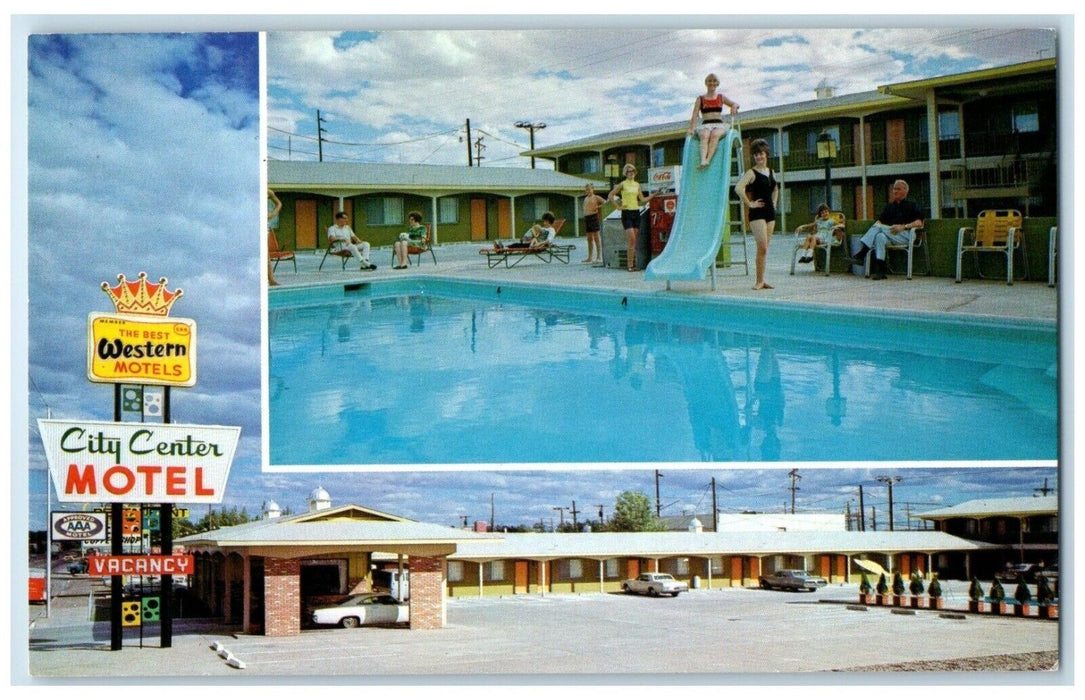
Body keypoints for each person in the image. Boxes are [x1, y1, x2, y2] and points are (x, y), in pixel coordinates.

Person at [850, 179, 924, 280]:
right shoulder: (890, 206)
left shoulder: (912, 205)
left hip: (907, 234)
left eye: (898, 189)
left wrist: (903, 226)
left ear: (905, 191)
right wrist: (877, 228)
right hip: (891, 233)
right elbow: (880, 222)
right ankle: (881, 271)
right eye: (894, 189)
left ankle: (862, 253)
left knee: (879, 228)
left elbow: (919, 223)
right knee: (879, 236)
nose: (895, 191)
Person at [734, 139, 779, 290]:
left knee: (764, 249)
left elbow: (776, 189)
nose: (759, 157)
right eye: (756, 155)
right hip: (757, 213)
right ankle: (758, 281)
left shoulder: (772, 172)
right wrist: (749, 203)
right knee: (763, 247)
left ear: (766, 154)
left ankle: (762, 280)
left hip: (770, 213)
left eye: (761, 154)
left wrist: (774, 202)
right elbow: (739, 188)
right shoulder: (751, 173)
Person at [607, 164, 656, 271]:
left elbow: (642, 199)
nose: (631, 173)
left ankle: (632, 264)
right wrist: (618, 207)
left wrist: (654, 194)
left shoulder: (637, 185)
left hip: (636, 212)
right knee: (631, 238)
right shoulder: (623, 184)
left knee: (634, 241)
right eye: (629, 171)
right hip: (627, 213)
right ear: (625, 173)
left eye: (633, 171)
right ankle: (630, 265)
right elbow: (610, 195)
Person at [688, 73, 739, 169]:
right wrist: (691, 128)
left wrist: (734, 106)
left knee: (715, 135)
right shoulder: (700, 99)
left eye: (714, 81)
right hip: (706, 124)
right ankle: (703, 160)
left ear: (717, 83)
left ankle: (708, 160)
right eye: (709, 81)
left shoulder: (721, 97)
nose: (712, 83)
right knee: (704, 135)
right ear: (706, 83)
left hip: (718, 124)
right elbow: (694, 114)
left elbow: (734, 104)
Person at [581, 183, 607, 264]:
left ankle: (599, 256)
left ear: (593, 189)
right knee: (589, 238)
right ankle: (590, 257)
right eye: (586, 190)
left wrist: (598, 207)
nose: (588, 191)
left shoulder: (596, 197)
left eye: (589, 189)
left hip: (594, 217)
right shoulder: (585, 199)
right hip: (587, 218)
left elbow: (605, 202)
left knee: (596, 237)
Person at [267, 189, 282, 286]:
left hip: (263, 224)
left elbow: (279, 204)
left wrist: (271, 215)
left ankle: (271, 279)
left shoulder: (267, 192)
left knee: (264, 253)